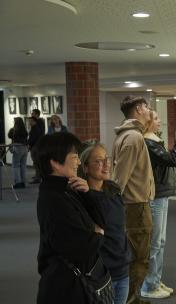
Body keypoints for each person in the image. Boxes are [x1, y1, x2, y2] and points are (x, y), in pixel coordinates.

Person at [36, 132, 107, 304]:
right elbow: (82, 247)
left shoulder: (67, 189)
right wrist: (100, 234)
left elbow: (101, 223)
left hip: (73, 283)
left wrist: (87, 194)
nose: (79, 162)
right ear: (55, 162)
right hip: (65, 288)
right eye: (74, 157)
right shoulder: (53, 199)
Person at [112, 96, 154, 304]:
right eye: (147, 107)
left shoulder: (128, 135)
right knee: (138, 257)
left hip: (134, 204)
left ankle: (132, 298)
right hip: (135, 206)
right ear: (138, 109)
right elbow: (119, 178)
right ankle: (130, 300)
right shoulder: (133, 138)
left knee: (137, 255)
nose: (149, 111)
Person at [140, 111, 176, 299]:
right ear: (149, 122)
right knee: (155, 244)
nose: (160, 122)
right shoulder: (148, 142)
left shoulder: (153, 140)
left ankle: (155, 280)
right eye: (157, 119)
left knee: (161, 242)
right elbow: (174, 160)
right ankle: (149, 286)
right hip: (156, 196)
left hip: (162, 195)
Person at [79, 143, 131, 304]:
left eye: (106, 159)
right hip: (101, 273)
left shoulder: (113, 189)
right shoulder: (82, 197)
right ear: (85, 167)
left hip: (122, 267)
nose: (106, 164)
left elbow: (119, 228)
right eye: (98, 161)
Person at [8, 117, 28, 188]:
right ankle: (23, 182)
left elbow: (9, 135)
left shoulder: (14, 130)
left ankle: (18, 183)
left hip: (17, 147)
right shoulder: (24, 130)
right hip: (25, 148)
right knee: (23, 166)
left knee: (15, 166)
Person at [28, 114, 45, 184]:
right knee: (37, 163)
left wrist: (29, 144)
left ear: (35, 121)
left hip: (35, 147)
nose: (29, 123)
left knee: (36, 163)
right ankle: (38, 176)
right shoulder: (35, 128)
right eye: (29, 121)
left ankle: (38, 178)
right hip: (36, 146)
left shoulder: (35, 129)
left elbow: (33, 139)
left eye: (31, 121)